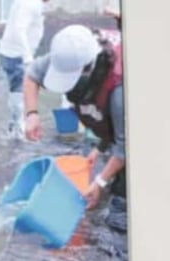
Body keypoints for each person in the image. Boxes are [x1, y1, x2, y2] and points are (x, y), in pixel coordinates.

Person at [23, 25, 127, 231]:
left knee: (121, 203)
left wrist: (99, 182)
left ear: (88, 67)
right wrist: (31, 114)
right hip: (116, 125)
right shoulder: (68, 52)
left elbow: (126, 146)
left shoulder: (120, 88)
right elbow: (32, 74)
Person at [0, 0, 47, 137]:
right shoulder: (29, 4)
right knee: (20, 92)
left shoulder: (30, 3)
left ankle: (15, 127)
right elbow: (19, 29)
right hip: (17, 55)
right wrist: (27, 57)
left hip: (13, 53)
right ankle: (19, 130)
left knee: (17, 91)